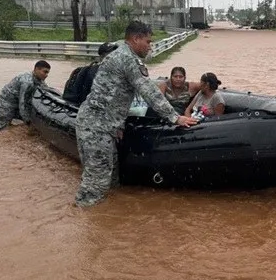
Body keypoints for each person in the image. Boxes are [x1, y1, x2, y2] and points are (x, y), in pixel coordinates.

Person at [74, 21, 197, 207]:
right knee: (95, 186)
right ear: (135, 38)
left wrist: (119, 124)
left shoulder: (120, 55)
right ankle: (85, 224)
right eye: (147, 42)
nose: (150, 46)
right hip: (96, 127)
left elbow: (112, 94)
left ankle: (106, 223)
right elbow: (149, 91)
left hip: (103, 126)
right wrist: (175, 117)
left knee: (111, 180)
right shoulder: (128, 59)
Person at [0, 60, 51, 131]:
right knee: (0, 132)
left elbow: (46, 91)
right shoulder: (27, 82)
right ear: (36, 69)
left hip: (14, 107)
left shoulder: (39, 79)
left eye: (48, 73)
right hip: (2, 107)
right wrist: (28, 121)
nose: (46, 75)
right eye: (45, 72)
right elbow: (22, 104)